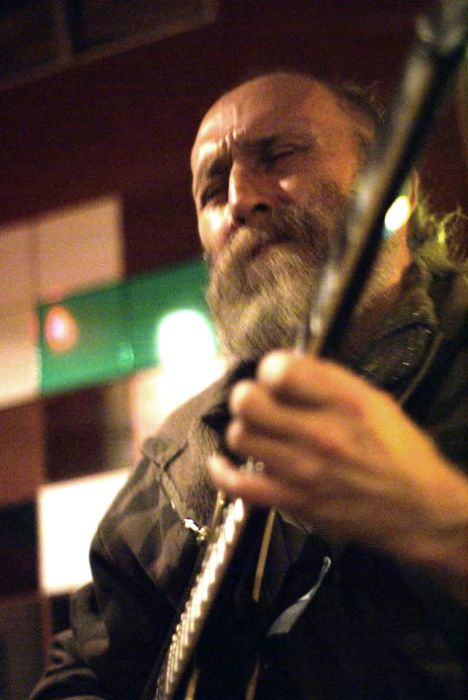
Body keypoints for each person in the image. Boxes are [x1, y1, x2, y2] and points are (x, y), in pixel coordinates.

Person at [31, 72, 467, 700]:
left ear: (395, 184)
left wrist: (441, 520)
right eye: (212, 190)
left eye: (280, 155)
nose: (240, 198)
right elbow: (85, 674)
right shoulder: (182, 455)